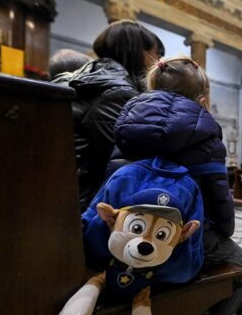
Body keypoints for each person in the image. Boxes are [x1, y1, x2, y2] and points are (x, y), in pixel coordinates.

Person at [112, 56, 242, 315]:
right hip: (177, 237)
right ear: (202, 101)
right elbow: (219, 198)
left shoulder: (127, 119)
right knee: (241, 264)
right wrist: (225, 230)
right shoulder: (204, 129)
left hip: (125, 236)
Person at [52, 20, 164, 211]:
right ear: (140, 53)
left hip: (58, 190)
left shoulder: (78, 78)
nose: (159, 64)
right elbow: (132, 160)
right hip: (84, 204)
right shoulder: (117, 93)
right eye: (157, 55)